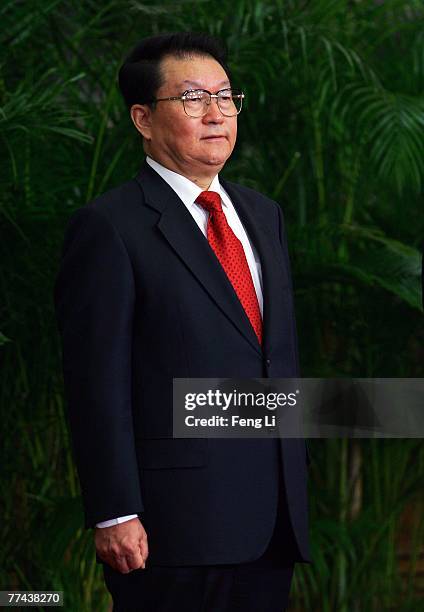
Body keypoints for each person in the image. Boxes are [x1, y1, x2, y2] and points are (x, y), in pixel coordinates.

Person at [54, 31, 312, 612]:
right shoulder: (109, 227)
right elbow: (96, 383)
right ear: (143, 119)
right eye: (194, 98)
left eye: (226, 96)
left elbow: (272, 359)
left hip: (273, 520)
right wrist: (115, 510)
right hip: (173, 527)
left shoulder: (262, 214)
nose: (217, 113)